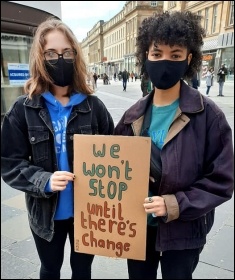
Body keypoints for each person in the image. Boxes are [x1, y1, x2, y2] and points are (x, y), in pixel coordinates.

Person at [114, 11, 234, 279]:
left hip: (184, 234)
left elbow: (222, 181)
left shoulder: (209, 116)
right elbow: (114, 168)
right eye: (157, 54)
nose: (165, 62)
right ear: (146, 56)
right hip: (138, 230)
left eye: (176, 55)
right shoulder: (131, 116)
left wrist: (174, 204)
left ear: (189, 59)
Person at [1, 17, 114, 279]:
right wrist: (45, 180)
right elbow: (9, 163)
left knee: (82, 269)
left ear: (76, 55)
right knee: (50, 269)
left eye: (66, 52)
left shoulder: (93, 107)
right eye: (51, 53)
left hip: (88, 213)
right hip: (45, 214)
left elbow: (115, 153)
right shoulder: (23, 109)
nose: (59, 59)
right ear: (40, 58)